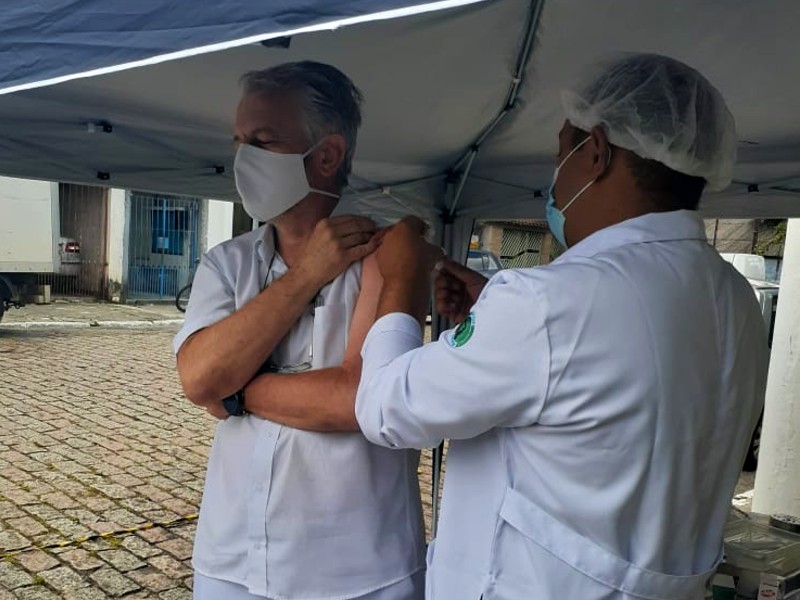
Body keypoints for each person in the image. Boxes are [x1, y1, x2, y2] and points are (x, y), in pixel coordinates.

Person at [355, 54, 767, 599]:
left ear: (594, 152)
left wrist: (400, 284)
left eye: (560, 154)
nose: (555, 179)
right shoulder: (735, 297)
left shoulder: (548, 302)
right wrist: (492, 318)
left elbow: (385, 410)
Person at [174, 61, 425, 600]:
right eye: (240, 140)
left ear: (328, 155)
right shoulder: (227, 263)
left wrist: (236, 390)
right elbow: (197, 378)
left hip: (357, 569)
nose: (243, 158)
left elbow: (356, 399)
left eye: (263, 141)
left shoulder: (387, 257)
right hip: (232, 559)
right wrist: (308, 272)